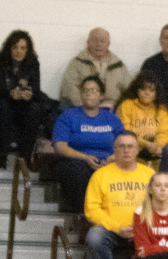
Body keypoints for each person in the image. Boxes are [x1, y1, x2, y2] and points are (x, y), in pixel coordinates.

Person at [83, 133, 156, 259]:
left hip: (144, 228)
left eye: (130, 146)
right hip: (112, 230)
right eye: (121, 146)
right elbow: (91, 210)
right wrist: (116, 227)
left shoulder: (150, 175)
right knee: (94, 237)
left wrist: (140, 228)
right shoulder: (100, 175)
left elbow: (161, 206)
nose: (126, 150)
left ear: (137, 150)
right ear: (114, 150)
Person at [50, 75, 124, 213]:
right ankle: (85, 216)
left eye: (94, 90)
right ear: (81, 94)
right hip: (74, 162)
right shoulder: (68, 116)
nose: (89, 93)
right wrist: (84, 157)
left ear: (101, 96)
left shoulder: (112, 119)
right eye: (86, 90)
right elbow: (60, 146)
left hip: (108, 163)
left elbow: (125, 145)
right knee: (79, 170)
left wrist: (110, 160)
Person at [0, 30, 45, 168]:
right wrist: (11, 93)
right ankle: (2, 158)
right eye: (15, 48)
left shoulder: (33, 63)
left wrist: (28, 95)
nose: (19, 51)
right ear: (9, 49)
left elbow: (36, 90)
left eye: (23, 48)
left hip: (22, 104)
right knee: (3, 108)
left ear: (28, 50)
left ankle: (24, 158)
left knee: (35, 109)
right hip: (1, 101)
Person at [115, 71, 168, 174]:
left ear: (156, 94)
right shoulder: (127, 105)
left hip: (153, 147)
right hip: (133, 145)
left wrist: (158, 145)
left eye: (151, 90)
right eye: (143, 89)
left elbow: (164, 132)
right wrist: (146, 144)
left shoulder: (161, 110)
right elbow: (126, 131)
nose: (147, 93)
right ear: (137, 90)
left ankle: (163, 181)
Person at [59, 28, 129, 108]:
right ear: (88, 43)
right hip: (83, 109)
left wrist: (118, 106)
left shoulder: (118, 65)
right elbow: (70, 89)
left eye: (102, 41)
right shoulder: (77, 63)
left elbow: (129, 90)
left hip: (112, 109)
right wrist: (89, 107)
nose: (99, 44)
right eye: (95, 40)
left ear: (108, 44)